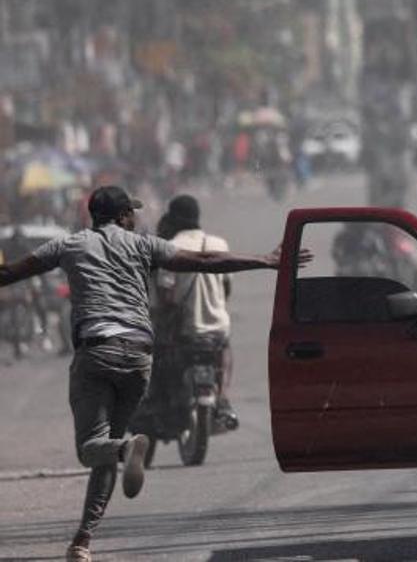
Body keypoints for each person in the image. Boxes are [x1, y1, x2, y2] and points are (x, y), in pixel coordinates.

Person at [0, 185, 309, 562]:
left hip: (96, 354)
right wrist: (265, 260)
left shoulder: (69, 245)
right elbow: (205, 261)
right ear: (123, 217)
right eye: (132, 212)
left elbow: (10, 274)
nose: (136, 217)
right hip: (138, 357)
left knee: (91, 449)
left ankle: (128, 449)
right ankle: (82, 540)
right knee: (106, 447)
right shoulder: (143, 244)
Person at [154, 194, 238, 427]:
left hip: (186, 329)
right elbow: (227, 287)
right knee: (225, 353)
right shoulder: (219, 244)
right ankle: (222, 398)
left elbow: (165, 294)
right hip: (218, 327)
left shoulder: (169, 247)